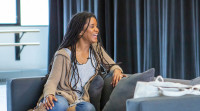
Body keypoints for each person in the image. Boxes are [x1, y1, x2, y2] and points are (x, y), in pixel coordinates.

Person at [35, 11, 126, 111]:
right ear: (80, 32)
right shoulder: (63, 54)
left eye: (96, 26)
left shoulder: (96, 49)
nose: (97, 30)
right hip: (62, 96)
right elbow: (52, 81)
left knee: (89, 108)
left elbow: (112, 65)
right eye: (92, 27)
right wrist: (49, 94)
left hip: (80, 101)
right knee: (59, 106)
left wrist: (117, 70)